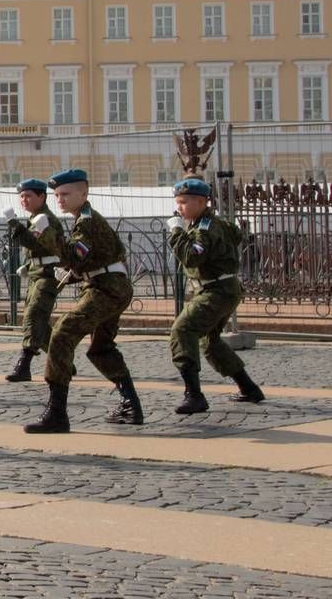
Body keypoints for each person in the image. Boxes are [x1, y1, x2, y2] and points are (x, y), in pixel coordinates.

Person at [24, 169, 143, 434]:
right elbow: (90, 260)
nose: (60, 199)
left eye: (65, 194)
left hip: (107, 289)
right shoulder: (84, 220)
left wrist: (46, 233)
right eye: (57, 195)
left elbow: (74, 257)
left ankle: (56, 413)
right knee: (100, 349)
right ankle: (130, 405)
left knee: (62, 333)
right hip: (109, 285)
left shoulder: (87, 222)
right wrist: (73, 275)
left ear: (84, 193)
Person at [167, 177, 265, 413]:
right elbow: (235, 235)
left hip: (216, 290)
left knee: (183, 329)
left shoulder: (205, 227)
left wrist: (176, 231)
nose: (179, 208)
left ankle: (194, 395)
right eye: (178, 202)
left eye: (184, 202)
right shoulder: (207, 223)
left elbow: (192, 256)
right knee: (210, 341)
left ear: (201, 202)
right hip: (220, 289)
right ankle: (249, 388)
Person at [3, 178, 65, 383]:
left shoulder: (44, 219)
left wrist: (14, 225)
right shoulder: (36, 218)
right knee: (41, 325)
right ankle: (64, 361)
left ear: (42, 197)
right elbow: (35, 249)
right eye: (21, 196)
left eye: (28, 195)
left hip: (48, 276)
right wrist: (28, 266)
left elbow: (33, 243)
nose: (24, 200)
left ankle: (24, 365)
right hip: (36, 274)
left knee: (33, 315)